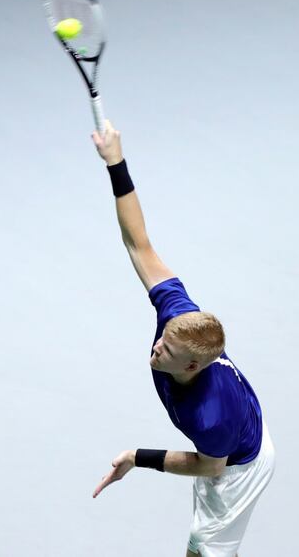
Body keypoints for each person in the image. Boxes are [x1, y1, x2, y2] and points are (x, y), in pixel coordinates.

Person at [91, 120, 276, 557]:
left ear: (192, 366)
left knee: (204, 549)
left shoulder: (212, 417)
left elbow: (209, 467)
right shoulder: (180, 316)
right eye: (162, 340)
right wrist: (115, 160)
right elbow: (139, 244)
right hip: (229, 438)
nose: (156, 348)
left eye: (166, 351)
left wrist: (138, 456)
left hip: (235, 467)